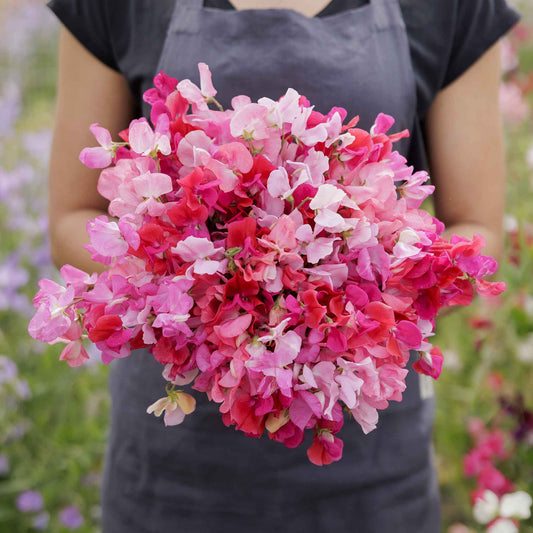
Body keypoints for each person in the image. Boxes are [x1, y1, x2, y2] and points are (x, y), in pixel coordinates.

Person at [45, 0, 521, 531]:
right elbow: (74, 217)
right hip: (172, 475)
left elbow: (475, 233)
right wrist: (198, 292)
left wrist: (350, 291)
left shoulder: (453, 8)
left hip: (369, 471)